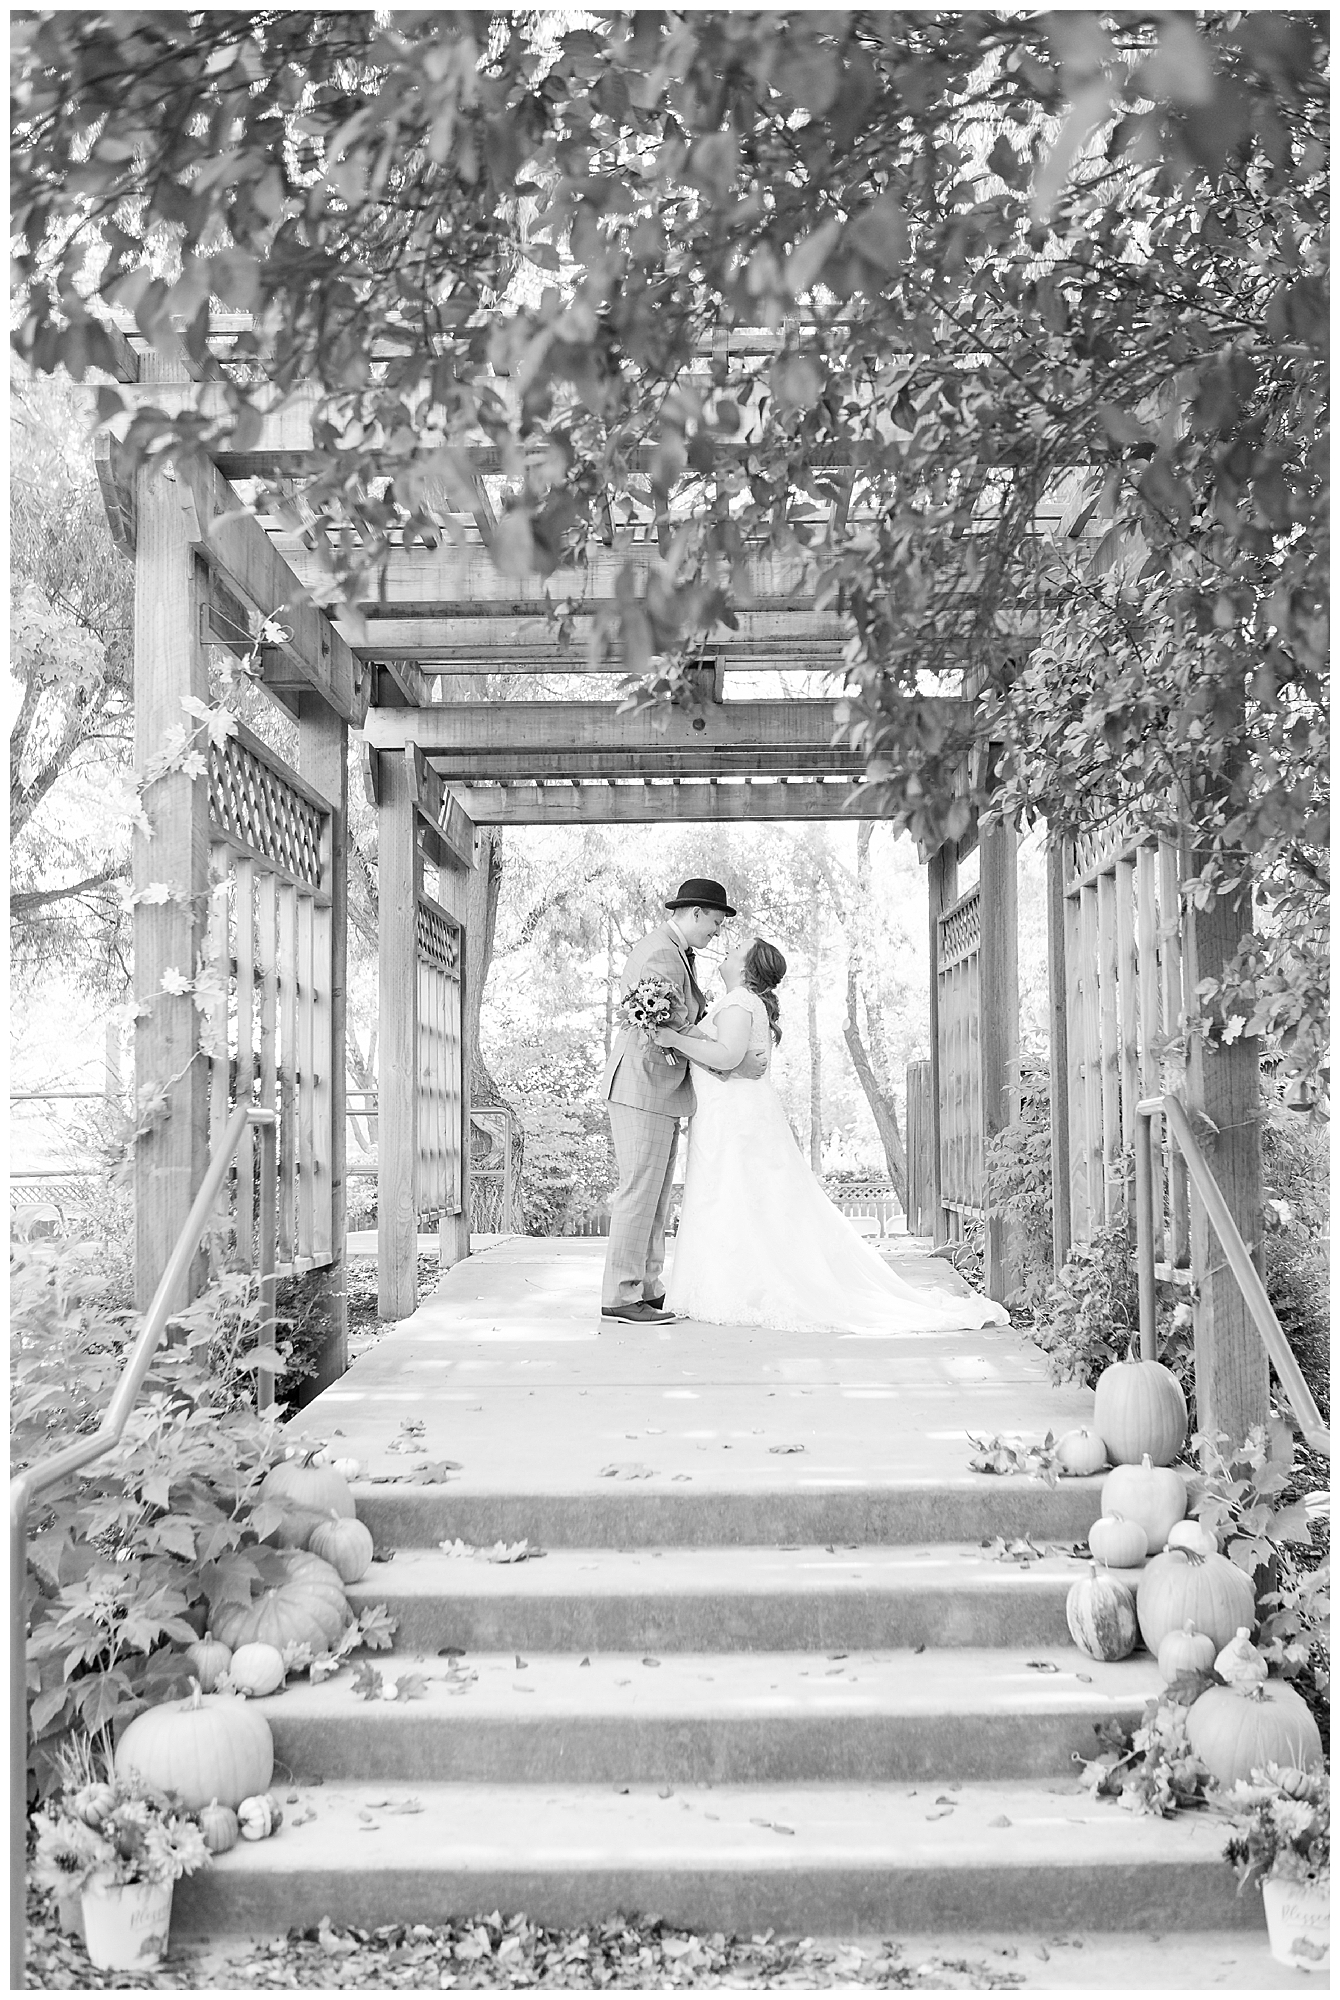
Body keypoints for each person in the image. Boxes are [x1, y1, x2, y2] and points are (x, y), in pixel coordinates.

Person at [656, 936, 1009, 1334]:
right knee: (739, 1198)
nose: (728, 948)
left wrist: (673, 1040)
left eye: (737, 947)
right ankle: (725, 1283)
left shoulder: (738, 1002)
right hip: (729, 1114)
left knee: (736, 1196)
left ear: (746, 966)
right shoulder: (737, 1002)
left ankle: (739, 1288)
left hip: (734, 1119)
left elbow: (725, 1057)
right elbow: (728, 1057)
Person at [598, 878, 766, 1325]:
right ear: (694, 914)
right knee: (640, 1191)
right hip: (642, 1086)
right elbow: (668, 1027)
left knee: (656, 1197)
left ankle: (647, 1287)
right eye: (713, 924)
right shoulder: (659, 953)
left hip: (662, 1090)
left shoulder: (676, 952)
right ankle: (621, 1293)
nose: (715, 936)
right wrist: (729, 1059)